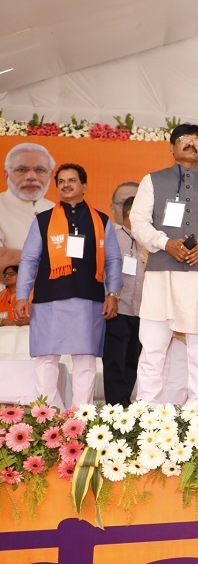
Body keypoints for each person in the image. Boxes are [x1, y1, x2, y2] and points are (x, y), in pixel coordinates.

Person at [130, 123, 198, 406]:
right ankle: (148, 411)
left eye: (197, 140)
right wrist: (165, 243)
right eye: (184, 139)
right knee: (153, 347)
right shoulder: (151, 181)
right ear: (172, 147)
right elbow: (138, 221)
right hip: (162, 273)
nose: (191, 143)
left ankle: (197, 410)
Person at [14, 164, 122, 408]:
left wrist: (113, 293)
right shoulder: (42, 220)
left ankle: (80, 418)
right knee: (46, 359)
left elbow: (114, 261)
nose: (66, 185)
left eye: (71, 180)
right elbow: (29, 260)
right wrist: (22, 296)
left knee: (85, 360)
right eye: (61, 181)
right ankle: (48, 417)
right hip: (48, 299)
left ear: (84, 186)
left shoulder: (101, 221)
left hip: (88, 299)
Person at [101, 196, 145, 406]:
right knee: (115, 361)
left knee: (132, 361)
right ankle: (115, 409)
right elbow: (105, 271)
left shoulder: (147, 241)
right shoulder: (114, 237)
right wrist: (110, 296)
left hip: (141, 311)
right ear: (130, 214)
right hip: (117, 308)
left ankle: (125, 407)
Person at [0, 144, 56, 274]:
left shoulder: (60, 211)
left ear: (51, 175)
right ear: (6, 175)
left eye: (40, 170)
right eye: (22, 170)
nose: (31, 177)